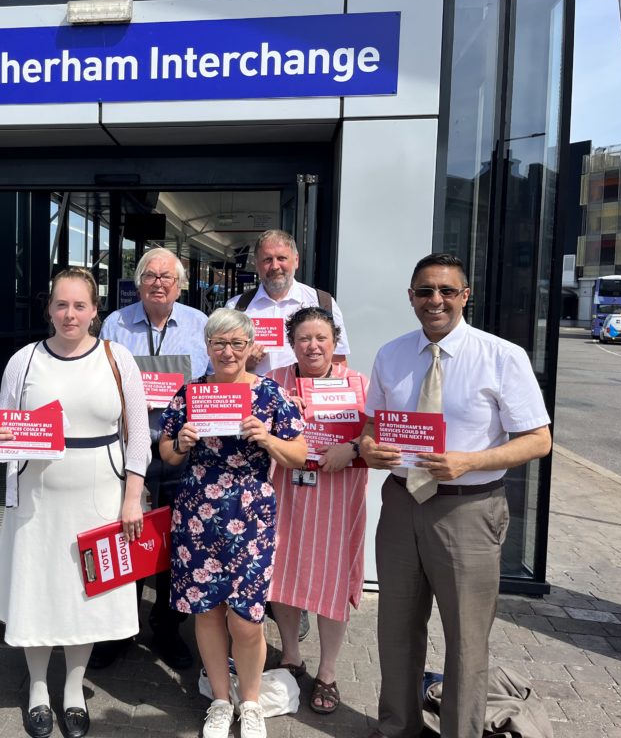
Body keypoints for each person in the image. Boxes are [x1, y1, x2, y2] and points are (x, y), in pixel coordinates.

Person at [358, 253, 552, 738]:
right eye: (425, 291)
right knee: (396, 630)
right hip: (402, 504)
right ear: (411, 298)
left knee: (466, 639)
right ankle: (396, 728)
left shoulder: (502, 356)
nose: (435, 300)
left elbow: (538, 439)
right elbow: (369, 425)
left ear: (467, 295)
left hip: (469, 508)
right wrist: (368, 447)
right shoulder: (391, 354)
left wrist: (468, 461)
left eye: (446, 291)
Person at [0, 267, 151, 738]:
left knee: (87, 595)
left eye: (80, 305)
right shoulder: (25, 360)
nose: (70, 314)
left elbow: (138, 437)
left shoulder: (119, 360)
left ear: (95, 311)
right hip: (38, 498)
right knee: (37, 592)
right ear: (49, 309)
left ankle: (73, 689)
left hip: (100, 495)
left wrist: (132, 499)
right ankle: (38, 687)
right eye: (61, 304)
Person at [159, 308, 307, 738]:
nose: (227, 351)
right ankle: (221, 701)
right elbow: (166, 452)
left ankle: (252, 702)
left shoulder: (271, 396)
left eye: (236, 343)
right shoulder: (189, 394)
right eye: (219, 343)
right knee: (206, 611)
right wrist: (181, 443)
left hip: (251, 516)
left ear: (250, 347)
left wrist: (268, 438)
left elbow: (299, 454)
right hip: (197, 515)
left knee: (246, 618)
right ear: (207, 346)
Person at [94, 247, 210, 670]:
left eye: (167, 276)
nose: (158, 282)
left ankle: (166, 626)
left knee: (173, 541)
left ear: (179, 284)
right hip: (129, 452)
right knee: (126, 539)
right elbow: (100, 378)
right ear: (138, 281)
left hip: (180, 452)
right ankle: (120, 629)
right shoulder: (115, 323)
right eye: (150, 275)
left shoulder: (199, 325)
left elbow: (212, 383)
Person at [266, 306, 369, 715]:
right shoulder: (274, 381)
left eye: (321, 338)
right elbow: (251, 426)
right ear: (292, 343)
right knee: (284, 570)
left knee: (331, 580)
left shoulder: (357, 382)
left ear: (334, 342)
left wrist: (356, 446)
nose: (312, 346)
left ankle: (327, 672)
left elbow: (375, 431)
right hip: (284, 493)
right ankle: (291, 655)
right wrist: (277, 414)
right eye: (304, 338)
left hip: (336, 496)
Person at [227, 229, 350, 375]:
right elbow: (220, 365)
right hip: (255, 395)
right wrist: (243, 363)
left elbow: (338, 361)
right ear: (256, 264)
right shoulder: (236, 308)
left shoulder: (321, 302)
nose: (275, 266)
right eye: (267, 259)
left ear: (296, 260)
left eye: (281, 258)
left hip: (304, 394)